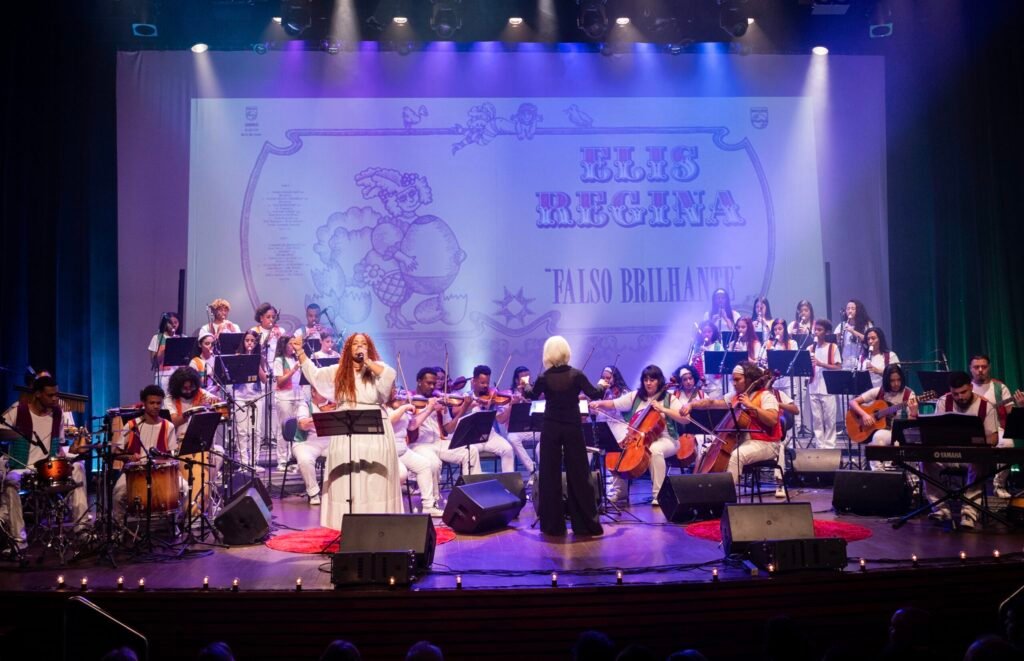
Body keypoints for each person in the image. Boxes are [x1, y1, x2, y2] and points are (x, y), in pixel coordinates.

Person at [290, 332, 402, 530]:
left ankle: (378, 523)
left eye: (363, 344)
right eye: (355, 344)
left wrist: (367, 361)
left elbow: (389, 376)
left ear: (368, 348)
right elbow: (315, 375)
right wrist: (300, 351)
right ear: (348, 349)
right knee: (347, 474)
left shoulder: (377, 368)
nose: (359, 346)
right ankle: (346, 525)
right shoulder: (339, 370)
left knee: (373, 476)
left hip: (374, 427)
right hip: (346, 427)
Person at [523, 336, 607, 536]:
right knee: (579, 474)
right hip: (572, 427)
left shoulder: (544, 377)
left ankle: (553, 526)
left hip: (551, 427)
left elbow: (531, 395)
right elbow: (595, 393)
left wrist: (525, 384)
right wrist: (602, 384)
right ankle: (585, 525)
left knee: (549, 475)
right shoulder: (576, 375)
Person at [1, 375, 89, 545]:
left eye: (57, 394)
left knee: (78, 468)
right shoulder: (18, 410)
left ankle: (82, 529)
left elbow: (59, 445)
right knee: (11, 480)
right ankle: (19, 540)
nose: (55, 398)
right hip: (24, 468)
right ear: (37, 394)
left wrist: (71, 453)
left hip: (49, 468)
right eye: (50, 395)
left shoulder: (57, 414)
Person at [681, 361, 782, 487]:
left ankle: (728, 495)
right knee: (705, 450)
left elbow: (772, 420)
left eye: (737, 380)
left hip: (767, 443)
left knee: (736, 457)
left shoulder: (766, 396)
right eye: (733, 380)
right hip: (743, 442)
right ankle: (702, 489)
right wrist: (691, 404)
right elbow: (711, 403)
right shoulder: (736, 397)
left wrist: (750, 405)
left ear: (749, 379)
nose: (734, 383)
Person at [590, 365, 680, 505]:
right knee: (617, 451)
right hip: (640, 438)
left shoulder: (670, 398)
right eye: (646, 380)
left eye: (652, 380)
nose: (648, 383)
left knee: (655, 450)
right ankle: (620, 492)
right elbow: (613, 403)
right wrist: (598, 403)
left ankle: (659, 495)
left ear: (659, 381)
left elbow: (684, 418)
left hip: (667, 438)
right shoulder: (636, 396)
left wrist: (663, 409)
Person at [922, 371, 999, 530]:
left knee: (979, 462)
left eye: (963, 392)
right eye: (955, 394)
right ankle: (941, 509)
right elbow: (935, 432)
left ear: (971, 387)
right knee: (926, 461)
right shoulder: (943, 402)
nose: (960, 397)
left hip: (972, 457)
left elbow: (994, 438)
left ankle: (969, 513)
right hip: (947, 455)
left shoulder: (986, 406)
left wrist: (978, 442)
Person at [111, 385, 184, 521]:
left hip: (161, 473)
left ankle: (175, 524)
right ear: (144, 403)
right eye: (152, 403)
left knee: (184, 488)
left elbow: (171, 456)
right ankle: (119, 527)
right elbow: (116, 453)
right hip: (134, 473)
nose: (156, 406)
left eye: (158, 403)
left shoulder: (168, 426)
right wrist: (129, 457)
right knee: (118, 493)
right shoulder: (131, 425)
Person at [406, 367, 480, 478]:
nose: (432, 387)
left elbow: (449, 429)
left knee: (471, 451)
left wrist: (464, 407)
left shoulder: (439, 400)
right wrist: (429, 408)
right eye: (429, 383)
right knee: (434, 463)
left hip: (438, 442)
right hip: (418, 444)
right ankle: (433, 490)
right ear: (419, 381)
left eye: (434, 384)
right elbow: (410, 425)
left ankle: (471, 486)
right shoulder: (409, 399)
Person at [848, 364, 918, 471]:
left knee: (879, 437)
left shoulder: (909, 394)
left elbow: (911, 428)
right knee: (877, 437)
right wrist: (864, 415)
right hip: (883, 431)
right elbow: (853, 402)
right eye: (892, 381)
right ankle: (879, 474)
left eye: (898, 380)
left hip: (899, 433)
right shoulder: (879, 391)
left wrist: (913, 412)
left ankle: (912, 477)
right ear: (886, 380)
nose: (896, 384)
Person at [387, 385, 443, 516]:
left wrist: (429, 408)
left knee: (425, 465)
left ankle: (428, 506)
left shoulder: (401, 407)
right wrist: (404, 407)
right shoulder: (383, 407)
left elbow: (412, 425)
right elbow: (389, 421)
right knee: (402, 473)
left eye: (397, 390)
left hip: (402, 450)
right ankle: (393, 508)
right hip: (389, 451)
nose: (397, 393)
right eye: (393, 390)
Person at [969, 354, 1016, 497]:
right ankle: (967, 488)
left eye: (983, 367)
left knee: (1008, 444)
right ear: (971, 369)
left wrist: (1020, 405)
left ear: (989, 368)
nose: (980, 370)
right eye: (976, 367)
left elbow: (1011, 412)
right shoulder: (966, 388)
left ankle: (999, 485)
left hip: (996, 428)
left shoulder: (999, 387)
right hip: (971, 430)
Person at [456, 365, 517, 472]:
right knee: (469, 453)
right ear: (474, 381)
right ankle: (474, 480)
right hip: (472, 437)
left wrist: (511, 406)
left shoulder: (492, 397)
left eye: (487, 383)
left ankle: (509, 480)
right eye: (482, 383)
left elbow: (501, 419)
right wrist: (472, 404)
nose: (486, 386)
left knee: (508, 449)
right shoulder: (467, 396)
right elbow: (455, 412)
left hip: (490, 435)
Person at [231, 329, 266, 469]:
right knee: (242, 432)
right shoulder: (238, 356)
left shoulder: (260, 358)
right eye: (247, 340)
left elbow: (264, 379)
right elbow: (232, 377)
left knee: (256, 432)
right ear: (243, 342)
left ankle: (254, 462)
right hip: (240, 397)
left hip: (256, 397)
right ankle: (243, 462)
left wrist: (255, 362)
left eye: (252, 341)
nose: (250, 343)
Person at [291, 388, 332, 505]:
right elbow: (303, 425)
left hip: (328, 441)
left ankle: (333, 491)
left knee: (343, 454)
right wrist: (324, 415)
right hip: (306, 443)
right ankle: (313, 493)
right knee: (305, 460)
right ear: (313, 392)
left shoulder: (333, 404)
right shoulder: (305, 405)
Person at [806, 319, 841, 449]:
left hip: (828, 387)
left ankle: (830, 446)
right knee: (817, 419)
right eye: (815, 329)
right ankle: (820, 445)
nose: (816, 332)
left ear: (826, 332)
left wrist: (821, 364)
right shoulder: (810, 348)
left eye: (819, 330)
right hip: (813, 387)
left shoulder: (832, 347)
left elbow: (838, 367)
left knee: (829, 419)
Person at [274, 336, 306, 471]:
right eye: (291, 343)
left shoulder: (296, 359)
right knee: (285, 429)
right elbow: (280, 381)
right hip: (284, 398)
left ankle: (294, 458)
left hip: (298, 396)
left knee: (298, 429)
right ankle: (282, 461)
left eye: (295, 343)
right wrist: (293, 370)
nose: (293, 346)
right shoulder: (279, 360)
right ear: (284, 345)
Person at [501, 366, 537, 478]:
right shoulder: (509, 394)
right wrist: (513, 404)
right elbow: (501, 419)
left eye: (528, 377)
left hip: (534, 428)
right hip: (516, 431)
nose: (527, 380)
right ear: (517, 380)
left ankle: (546, 471)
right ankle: (533, 470)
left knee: (549, 434)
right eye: (523, 377)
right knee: (512, 438)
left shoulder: (534, 392)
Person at [835, 299, 873, 369]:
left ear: (858, 310)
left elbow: (867, 339)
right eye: (848, 309)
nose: (850, 311)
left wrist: (852, 331)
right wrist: (838, 338)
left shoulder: (866, 324)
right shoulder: (842, 325)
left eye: (853, 309)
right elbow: (837, 343)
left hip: (861, 361)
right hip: (846, 362)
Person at [148, 311, 180, 391]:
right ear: (165, 323)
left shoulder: (181, 338)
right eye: (170, 323)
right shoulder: (157, 338)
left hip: (178, 376)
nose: (173, 325)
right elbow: (154, 362)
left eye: (176, 322)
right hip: (163, 376)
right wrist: (167, 346)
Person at [694, 321, 724, 399]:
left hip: (715, 386)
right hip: (701, 386)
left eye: (709, 332)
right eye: (704, 332)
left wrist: (707, 353)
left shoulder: (718, 347)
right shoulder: (697, 347)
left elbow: (720, 365)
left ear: (713, 333)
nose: (706, 334)